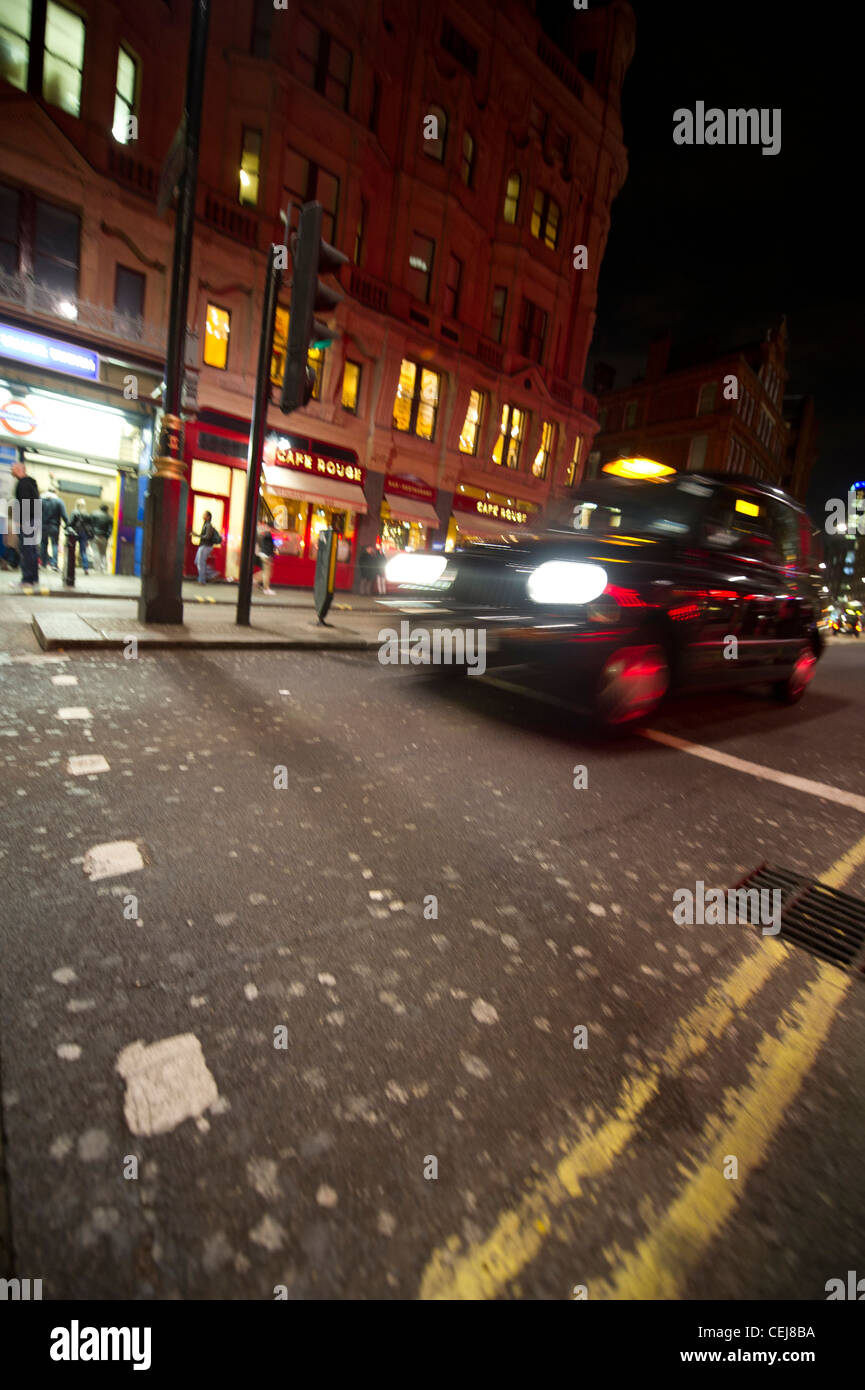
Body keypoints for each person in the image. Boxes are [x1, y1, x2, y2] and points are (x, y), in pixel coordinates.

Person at [11, 461, 39, 585]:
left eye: (13, 468)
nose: (11, 471)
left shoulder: (23, 484)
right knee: (32, 550)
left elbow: (24, 503)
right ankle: (33, 578)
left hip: (27, 522)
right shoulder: (31, 483)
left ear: (19, 470)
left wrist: (21, 521)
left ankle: (27, 579)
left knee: (26, 550)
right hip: (34, 520)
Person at [40, 484, 68, 570]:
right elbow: (64, 515)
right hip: (54, 526)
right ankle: (54, 564)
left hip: (43, 525)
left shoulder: (41, 500)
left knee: (43, 544)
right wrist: (68, 525)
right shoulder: (59, 501)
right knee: (55, 544)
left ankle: (43, 564)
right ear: (55, 492)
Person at [191, 510, 221, 584]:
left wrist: (196, 535)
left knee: (201, 563)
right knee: (198, 562)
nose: (203, 516)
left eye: (204, 515)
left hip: (206, 546)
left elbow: (207, 537)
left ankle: (202, 580)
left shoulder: (209, 525)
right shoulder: (205, 524)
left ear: (208, 517)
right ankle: (211, 574)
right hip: (203, 545)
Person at [66, 499, 93, 574]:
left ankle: (71, 566)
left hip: (75, 533)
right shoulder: (87, 514)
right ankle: (86, 568)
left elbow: (70, 522)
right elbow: (90, 526)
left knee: (72, 550)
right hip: (84, 534)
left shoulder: (74, 512)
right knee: (83, 551)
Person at [253, 519, 276, 595]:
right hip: (266, 555)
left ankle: (254, 579)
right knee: (266, 573)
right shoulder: (267, 533)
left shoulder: (263, 533)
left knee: (267, 572)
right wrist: (270, 555)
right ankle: (266, 589)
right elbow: (268, 546)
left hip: (263, 554)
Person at [90, 504, 113, 572]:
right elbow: (110, 529)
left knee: (95, 552)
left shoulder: (94, 514)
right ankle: (103, 567)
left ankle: (96, 567)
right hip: (103, 536)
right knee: (103, 553)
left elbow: (90, 525)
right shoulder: (109, 517)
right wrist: (107, 537)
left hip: (94, 535)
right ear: (107, 509)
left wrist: (91, 534)